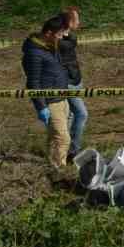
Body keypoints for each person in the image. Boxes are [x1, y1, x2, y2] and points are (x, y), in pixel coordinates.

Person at [22, 15, 74, 175]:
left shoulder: (50, 45)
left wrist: (67, 26)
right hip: (50, 102)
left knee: (54, 137)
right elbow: (33, 82)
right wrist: (41, 106)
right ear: (49, 33)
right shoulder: (34, 53)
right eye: (59, 34)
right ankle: (60, 171)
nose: (61, 37)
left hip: (61, 98)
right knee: (63, 138)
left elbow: (71, 43)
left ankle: (50, 165)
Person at [56, 5, 88, 162]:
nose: (79, 22)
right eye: (76, 19)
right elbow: (71, 43)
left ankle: (64, 149)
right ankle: (74, 150)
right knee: (82, 114)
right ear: (68, 22)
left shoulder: (66, 37)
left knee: (69, 115)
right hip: (67, 82)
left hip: (75, 79)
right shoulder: (59, 40)